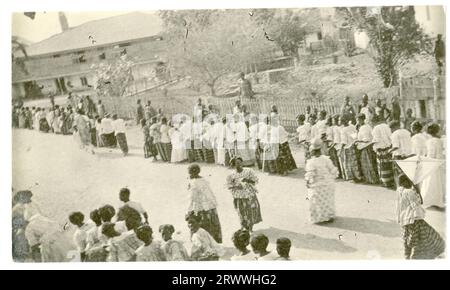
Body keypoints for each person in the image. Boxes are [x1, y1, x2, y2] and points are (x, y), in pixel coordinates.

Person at [396, 174, 445, 259]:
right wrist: (417, 192)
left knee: (407, 238)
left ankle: (407, 255)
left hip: (405, 221)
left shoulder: (399, 191)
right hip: (414, 220)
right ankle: (416, 256)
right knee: (421, 237)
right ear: (407, 182)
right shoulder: (410, 192)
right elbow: (416, 204)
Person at [305, 138, 339, 224]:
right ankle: (329, 216)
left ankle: (320, 218)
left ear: (312, 151)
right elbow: (333, 170)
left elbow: (310, 175)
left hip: (317, 185)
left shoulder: (311, 162)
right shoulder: (326, 159)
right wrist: (330, 178)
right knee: (328, 200)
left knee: (316, 201)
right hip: (328, 183)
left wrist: (308, 183)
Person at [187, 164, 222, 243]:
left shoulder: (194, 183)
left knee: (200, 227)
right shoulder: (203, 180)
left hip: (200, 208)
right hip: (210, 207)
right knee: (212, 225)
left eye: (189, 173)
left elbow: (192, 198)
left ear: (193, 173)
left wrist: (188, 211)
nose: (189, 175)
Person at [226, 157, 262, 232]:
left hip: (249, 195)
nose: (239, 165)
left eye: (240, 162)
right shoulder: (231, 175)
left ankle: (250, 227)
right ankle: (243, 226)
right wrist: (236, 186)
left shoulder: (249, 171)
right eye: (236, 164)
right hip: (239, 197)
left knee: (250, 211)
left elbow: (256, 180)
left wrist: (247, 180)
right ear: (233, 165)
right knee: (241, 212)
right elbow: (228, 186)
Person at [421, 123, 446, 208]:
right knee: (438, 182)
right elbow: (439, 154)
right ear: (437, 131)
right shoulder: (439, 141)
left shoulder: (428, 141)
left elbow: (430, 154)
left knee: (431, 182)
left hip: (431, 162)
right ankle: (437, 200)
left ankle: (431, 200)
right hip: (437, 162)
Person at [356, 114, 379, 184]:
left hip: (366, 146)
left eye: (358, 120)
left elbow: (366, 139)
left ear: (362, 119)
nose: (357, 121)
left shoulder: (365, 128)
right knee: (367, 163)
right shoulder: (364, 127)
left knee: (367, 163)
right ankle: (369, 178)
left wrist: (358, 141)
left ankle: (371, 179)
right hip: (365, 146)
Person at [372, 116, 395, 189]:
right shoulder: (386, 126)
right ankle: (391, 180)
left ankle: (385, 182)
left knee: (382, 165)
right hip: (388, 147)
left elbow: (376, 140)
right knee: (388, 164)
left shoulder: (375, 128)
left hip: (380, 148)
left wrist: (374, 146)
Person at [340, 115, 362, 182]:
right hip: (353, 145)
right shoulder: (352, 126)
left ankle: (352, 177)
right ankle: (358, 177)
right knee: (355, 162)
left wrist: (341, 149)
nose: (340, 122)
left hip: (347, 147)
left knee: (349, 163)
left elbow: (344, 141)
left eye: (341, 120)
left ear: (344, 121)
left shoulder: (343, 130)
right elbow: (355, 136)